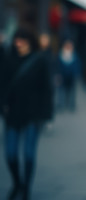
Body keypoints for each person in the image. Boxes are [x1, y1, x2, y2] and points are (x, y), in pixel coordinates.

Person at [0, 28, 53, 200]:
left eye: (22, 39)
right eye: (16, 39)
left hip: (33, 113)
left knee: (29, 154)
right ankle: (17, 183)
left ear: (30, 41)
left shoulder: (39, 61)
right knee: (10, 153)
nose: (19, 43)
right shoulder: (7, 59)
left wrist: (46, 114)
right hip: (13, 113)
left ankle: (26, 188)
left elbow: (47, 88)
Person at [56, 39, 81, 112]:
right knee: (61, 92)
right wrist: (58, 74)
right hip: (62, 76)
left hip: (72, 77)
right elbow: (57, 66)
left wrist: (76, 74)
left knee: (72, 92)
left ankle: (71, 105)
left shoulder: (75, 56)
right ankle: (61, 105)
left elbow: (78, 66)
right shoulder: (60, 55)